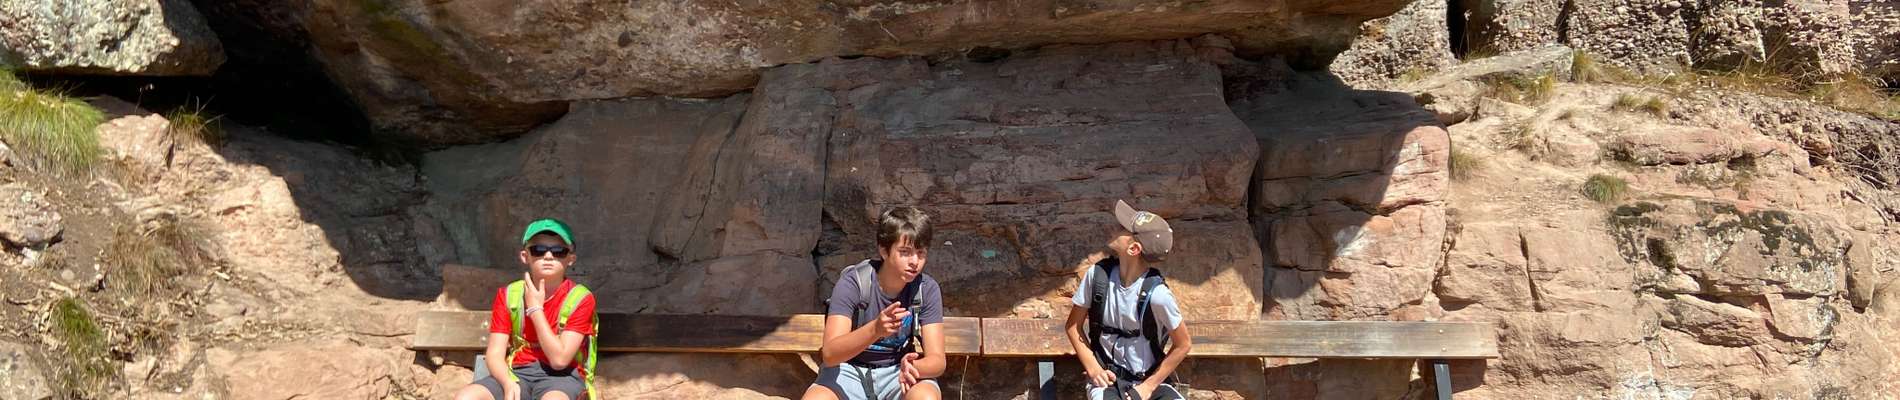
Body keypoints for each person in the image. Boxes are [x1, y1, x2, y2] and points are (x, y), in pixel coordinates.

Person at [802, 206, 947, 400]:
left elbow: (938, 361)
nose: (915, 261)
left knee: (925, 396)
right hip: (848, 371)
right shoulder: (854, 283)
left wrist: (913, 367)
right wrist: (875, 329)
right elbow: (830, 354)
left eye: (921, 253)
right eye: (905, 252)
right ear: (884, 251)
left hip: (897, 372)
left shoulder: (926, 289)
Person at [453, 218, 599, 400]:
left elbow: (559, 360)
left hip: (563, 377)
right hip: (518, 372)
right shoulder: (509, 294)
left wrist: (535, 309)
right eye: (538, 250)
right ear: (525, 256)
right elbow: (495, 353)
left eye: (559, 251)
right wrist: (507, 383)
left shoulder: (581, 298)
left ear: (571, 259)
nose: (548, 256)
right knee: (467, 397)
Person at [1064, 200, 1192, 400]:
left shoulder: (1158, 295)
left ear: (1134, 249)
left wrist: (1147, 387)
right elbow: (1073, 326)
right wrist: (1093, 368)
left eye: (1122, 228)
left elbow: (1183, 344)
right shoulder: (1097, 277)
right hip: (1108, 382)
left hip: (1150, 382)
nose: (1115, 228)